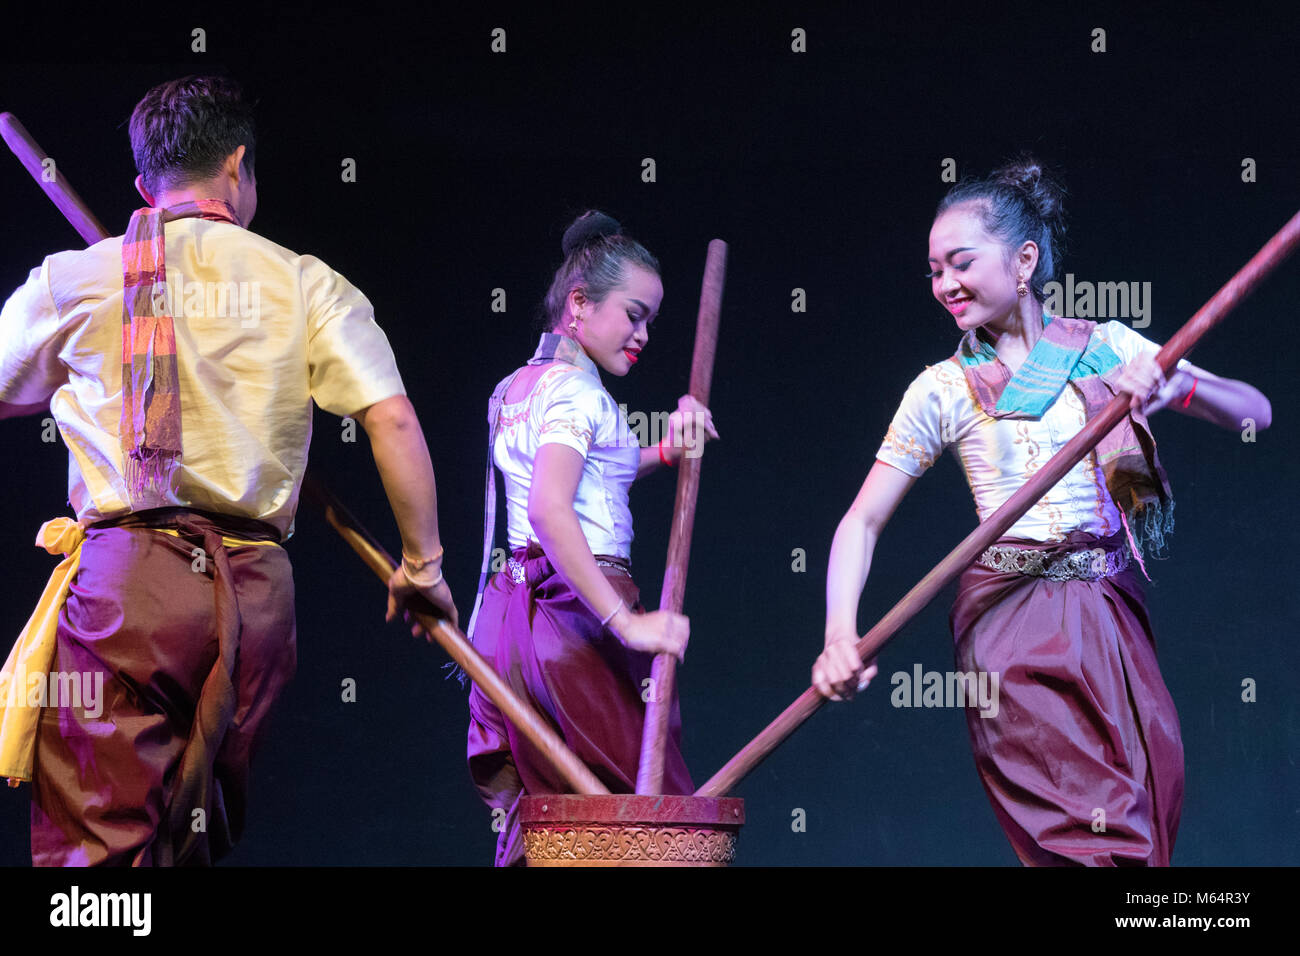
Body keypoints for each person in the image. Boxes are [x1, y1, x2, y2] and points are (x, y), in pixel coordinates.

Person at [0, 75, 458, 866]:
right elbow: (392, 418)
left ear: (146, 185)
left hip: (127, 590)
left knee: (100, 846)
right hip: (253, 599)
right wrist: (423, 565)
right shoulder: (305, 283)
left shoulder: (72, 279)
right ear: (239, 167)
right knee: (192, 835)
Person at [812, 157, 1272, 866]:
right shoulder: (943, 388)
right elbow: (860, 522)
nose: (944, 285)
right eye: (933, 271)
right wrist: (839, 633)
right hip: (1013, 623)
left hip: (1108, 612)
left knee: (1146, 819)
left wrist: (1170, 387)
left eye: (959, 263)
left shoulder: (1108, 349)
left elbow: (1256, 412)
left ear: (1024, 259)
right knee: (1093, 835)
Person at [465, 210, 719, 866]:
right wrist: (626, 625)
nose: (642, 334)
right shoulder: (578, 392)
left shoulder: (516, 387)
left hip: (509, 624)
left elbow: (591, 476)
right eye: (633, 314)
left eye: (650, 322)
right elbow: (554, 510)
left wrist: (666, 450)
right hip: (576, 614)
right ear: (579, 304)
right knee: (649, 826)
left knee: (555, 830)